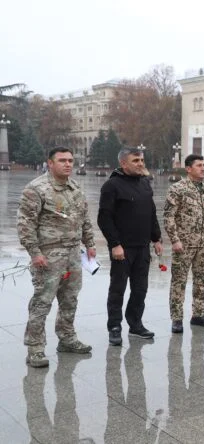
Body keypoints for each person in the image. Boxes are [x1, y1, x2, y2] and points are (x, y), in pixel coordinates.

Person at [17, 147, 96, 368]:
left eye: (70, 160)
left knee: (70, 299)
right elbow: (25, 225)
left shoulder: (75, 187)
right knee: (42, 302)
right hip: (48, 255)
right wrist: (35, 253)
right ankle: (35, 348)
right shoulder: (36, 189)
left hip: (73, 253)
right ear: (50, 163)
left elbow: (84, 218)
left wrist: (89, 244)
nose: (68, 164)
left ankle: (67, 338)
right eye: (62, 160)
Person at [98, 148, 163, 346]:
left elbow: (151, 212)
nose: (141, 163)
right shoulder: (112, 186)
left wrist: (156, 238)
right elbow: (104, 218)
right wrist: (115, 244)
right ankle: (115, 327)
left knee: (140, 289)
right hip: (122, 249)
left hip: (142, 248)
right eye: (136, 160)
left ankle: (135, 324)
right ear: (123, 164)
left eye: (142, 160)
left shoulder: (144, 183)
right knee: (118, 289)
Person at [163, 154, 204, 333]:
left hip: (203, 244)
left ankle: (198, 314)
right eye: (199, 165)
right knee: (179, 281)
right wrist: (175, 240)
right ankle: (177, 318)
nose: (203, 168)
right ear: (188, 168)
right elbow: (169, 217)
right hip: (184, 244)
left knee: (201, 280)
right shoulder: (178, 189)